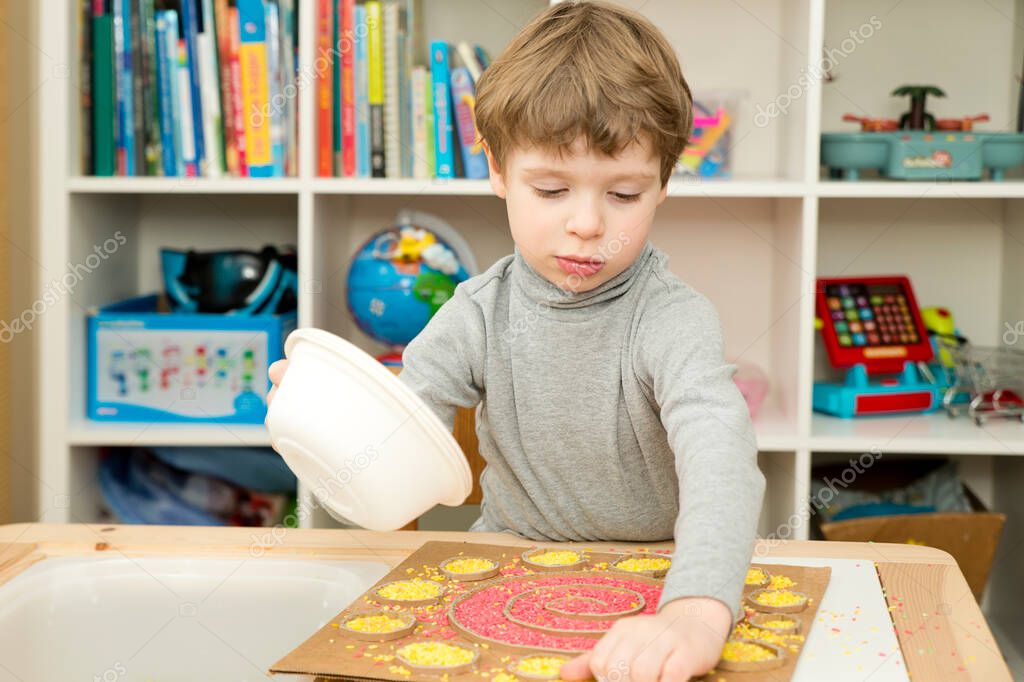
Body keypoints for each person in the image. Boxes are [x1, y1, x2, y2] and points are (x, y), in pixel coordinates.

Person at [269, 2, 765, 678]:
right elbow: (392, 452)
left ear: (664, 185)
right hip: (506, 572)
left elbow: (721, 461)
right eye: (552, 188)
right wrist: (332, 424)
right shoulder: (475, 313)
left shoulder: (674, 320)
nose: (587, 224)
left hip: (661, 579)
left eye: (624, 195)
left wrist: (697, 606)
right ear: (498, 170)